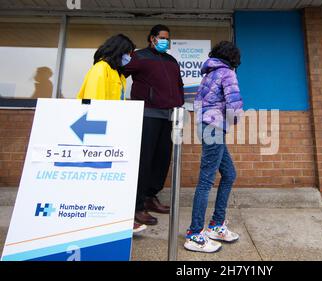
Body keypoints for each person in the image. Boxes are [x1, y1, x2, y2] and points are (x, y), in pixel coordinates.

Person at [76, 34, 146, 234]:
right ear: (118, 51)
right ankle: (105, 221)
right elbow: (95, 106)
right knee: (99, 180)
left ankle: (116, 219)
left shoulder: (118, 74)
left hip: (113, 132)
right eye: (128, 53)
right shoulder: (101, 69)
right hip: (98, 134)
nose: (129, 58)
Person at [184, 41, 243, 253]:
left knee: (229, 174)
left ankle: (216, 225)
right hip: (215, 127)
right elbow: (234, 103)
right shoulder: (227, 73)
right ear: (233, 58)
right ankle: (194, 234)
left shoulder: (208, 73)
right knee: (206, 180)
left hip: (207, 126)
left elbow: (197, 103)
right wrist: (233, 120)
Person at [124, 25, 184, 228]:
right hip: (147, 114)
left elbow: (179, 85)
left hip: (169, 116)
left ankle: (151, 196)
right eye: (161, 38)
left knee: (162, 159)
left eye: (168, 38)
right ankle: (137, 206)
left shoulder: (171, 60)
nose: (165, 41)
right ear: (151, 38)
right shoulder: (138, 56)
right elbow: (119, 74)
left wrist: (179, 102)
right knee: (144, 160)